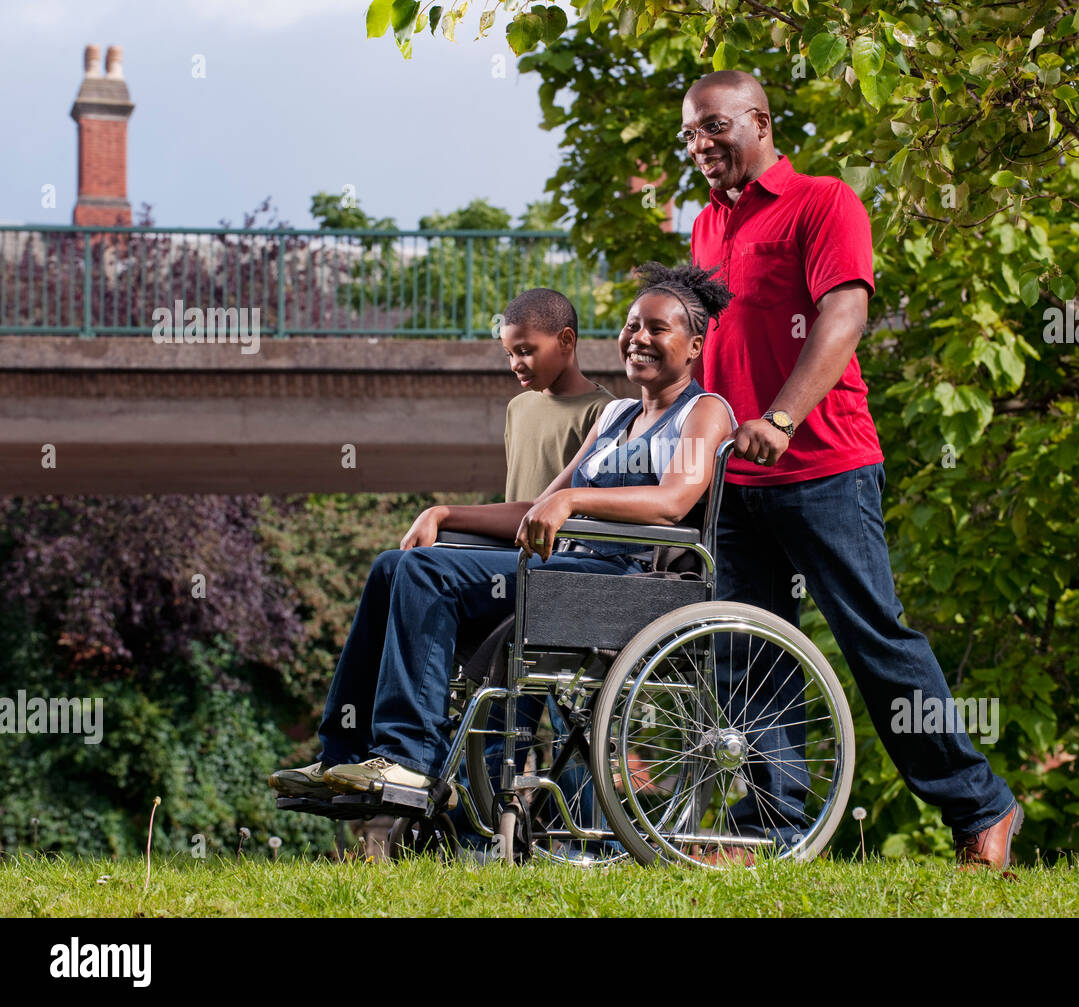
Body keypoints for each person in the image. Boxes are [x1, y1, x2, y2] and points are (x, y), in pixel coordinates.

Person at [680, 70, 1022, 871]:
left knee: (874, 639)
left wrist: (783, 417)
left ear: (760, 121)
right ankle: (769, 822)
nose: (700, 146)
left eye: (714, 128)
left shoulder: (824, 202)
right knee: (749, 649)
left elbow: (845, 313)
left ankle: (981, 808)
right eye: (688, 135)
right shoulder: (703, 227)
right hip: (735, 479)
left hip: (824, 464)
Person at [268, 263, 736, 810]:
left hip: (622, 581)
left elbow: (675, 500)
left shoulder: (703, 412)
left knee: (426, 574)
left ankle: (408, 759)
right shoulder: (614, 417)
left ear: (695, 345)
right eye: (632, 325)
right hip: (564, 570)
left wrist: (574, 499)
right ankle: (343, 753)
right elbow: (536, 509)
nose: (638, 338)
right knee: (392, 566)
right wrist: (446, 513)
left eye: (657, 328)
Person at [498, 288, 614, 505]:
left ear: (566, 340)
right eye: (509, 354)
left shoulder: (605, 411)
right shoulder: (517, 407)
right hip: (512, 536)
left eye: (525, 351)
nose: (515, 365)